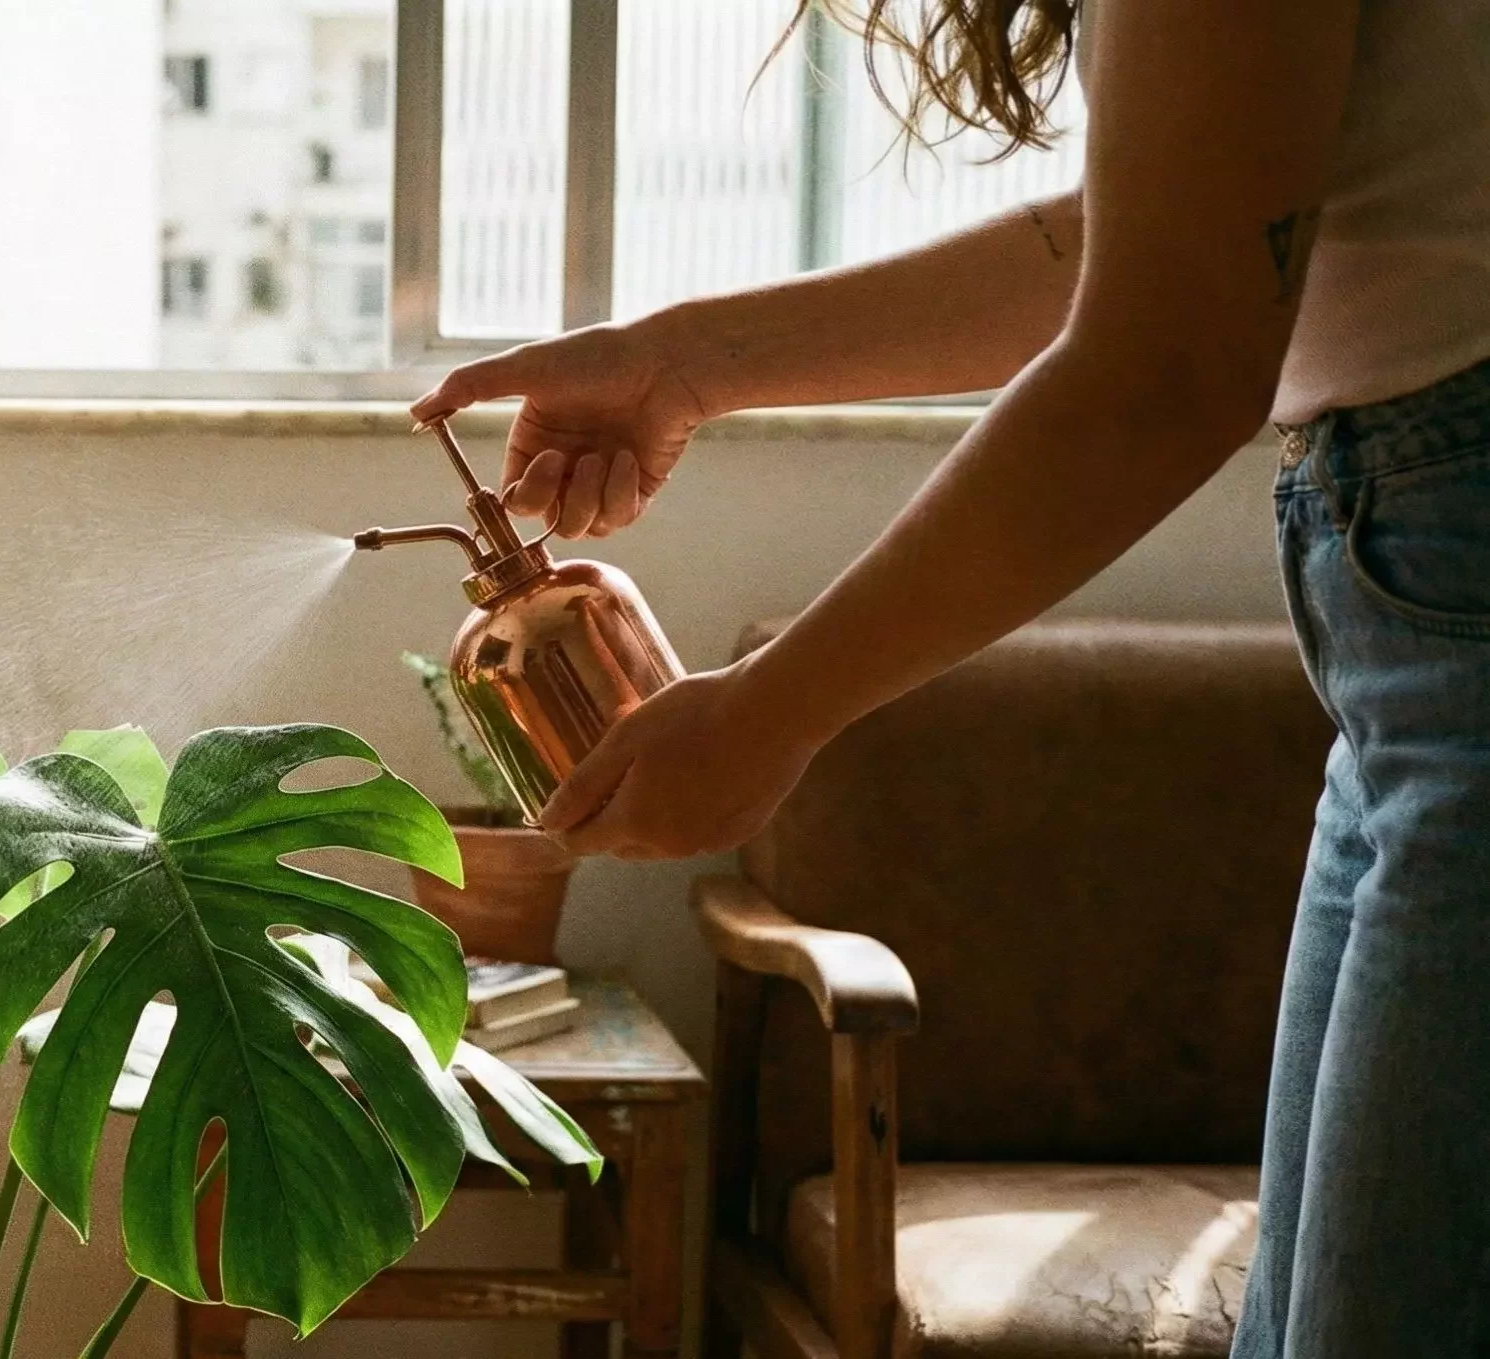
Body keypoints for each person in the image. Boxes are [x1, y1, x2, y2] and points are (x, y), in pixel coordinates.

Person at [409, 0, 1490, 1354]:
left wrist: (769, 715)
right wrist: (682, 362)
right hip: (1407, 652)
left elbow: (1167, 363)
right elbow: (1167, 232)